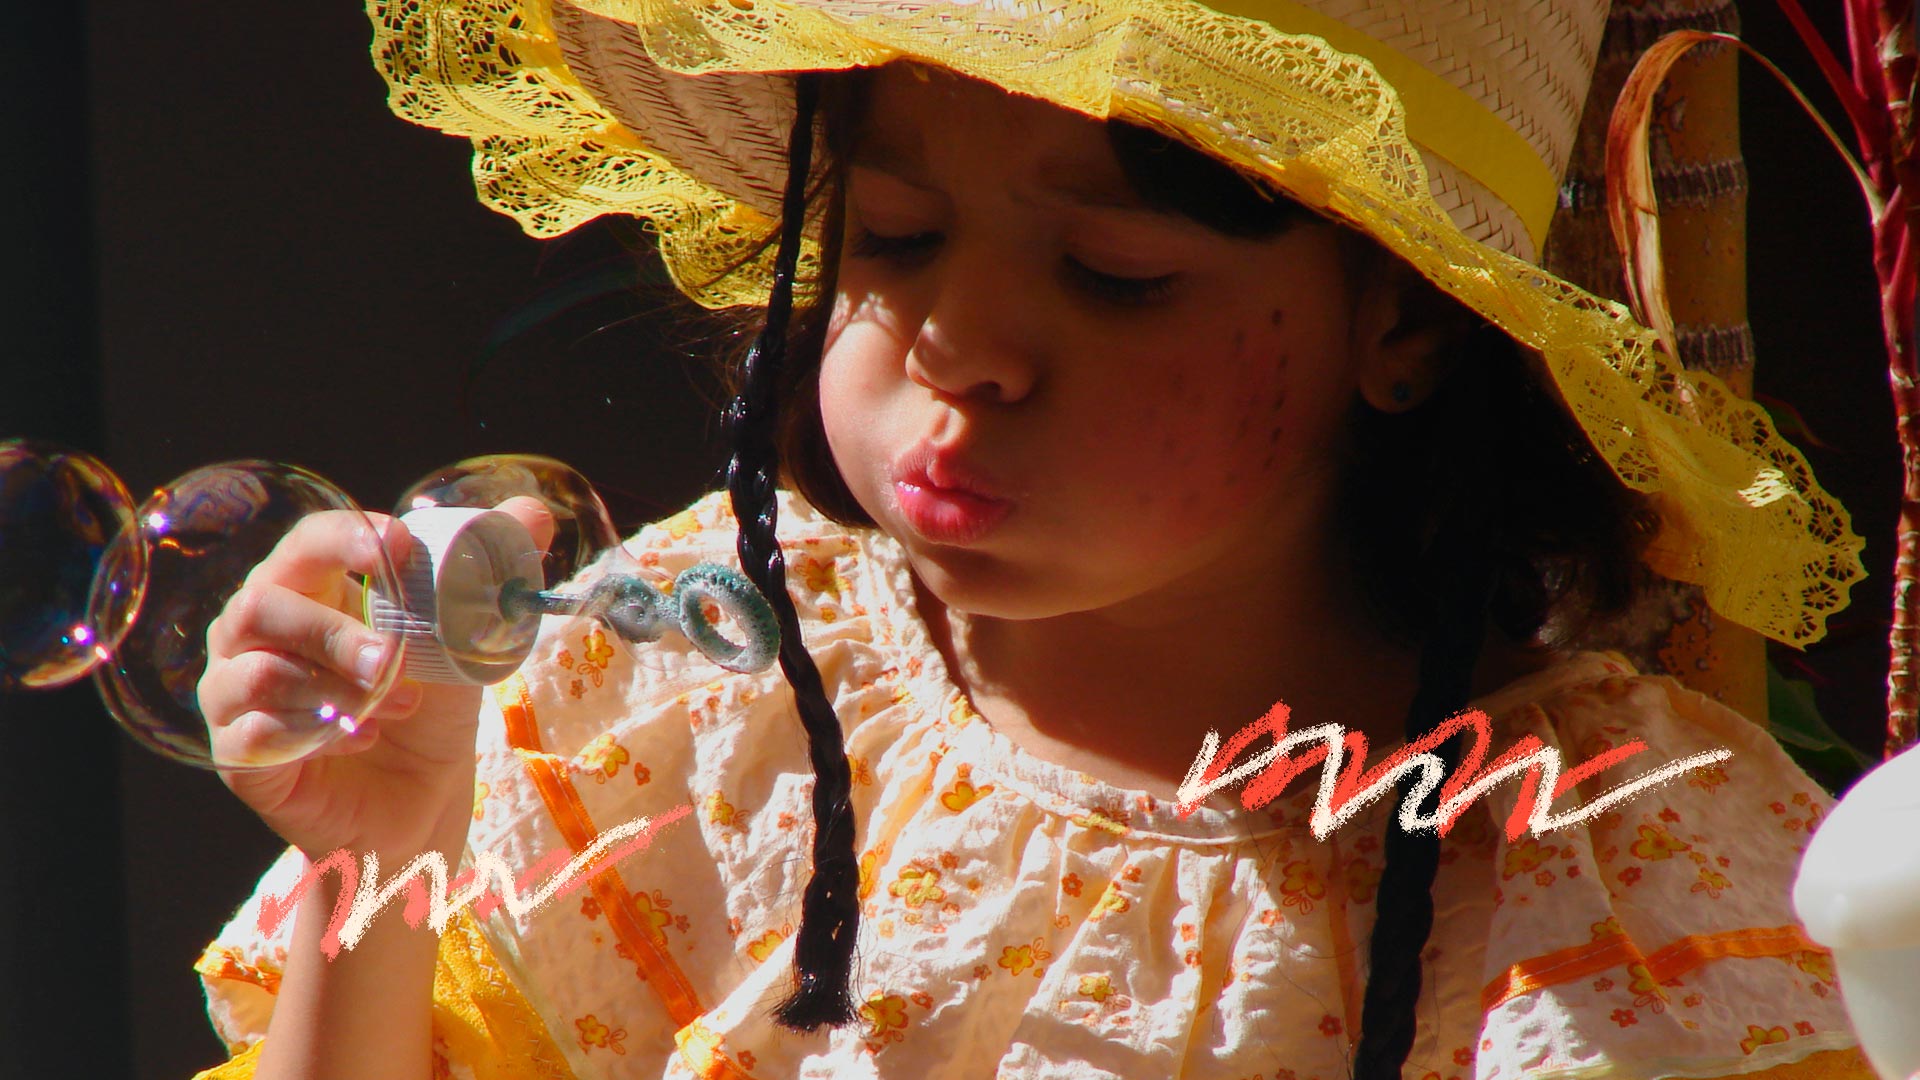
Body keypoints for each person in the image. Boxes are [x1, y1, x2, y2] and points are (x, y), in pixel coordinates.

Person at [191, 1, 1877, 1078]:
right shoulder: (685, 696)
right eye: (896, 238)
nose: (962, 348)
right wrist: (397, 833)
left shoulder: (1609, 880)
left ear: (1412, 329)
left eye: (1118, 275)